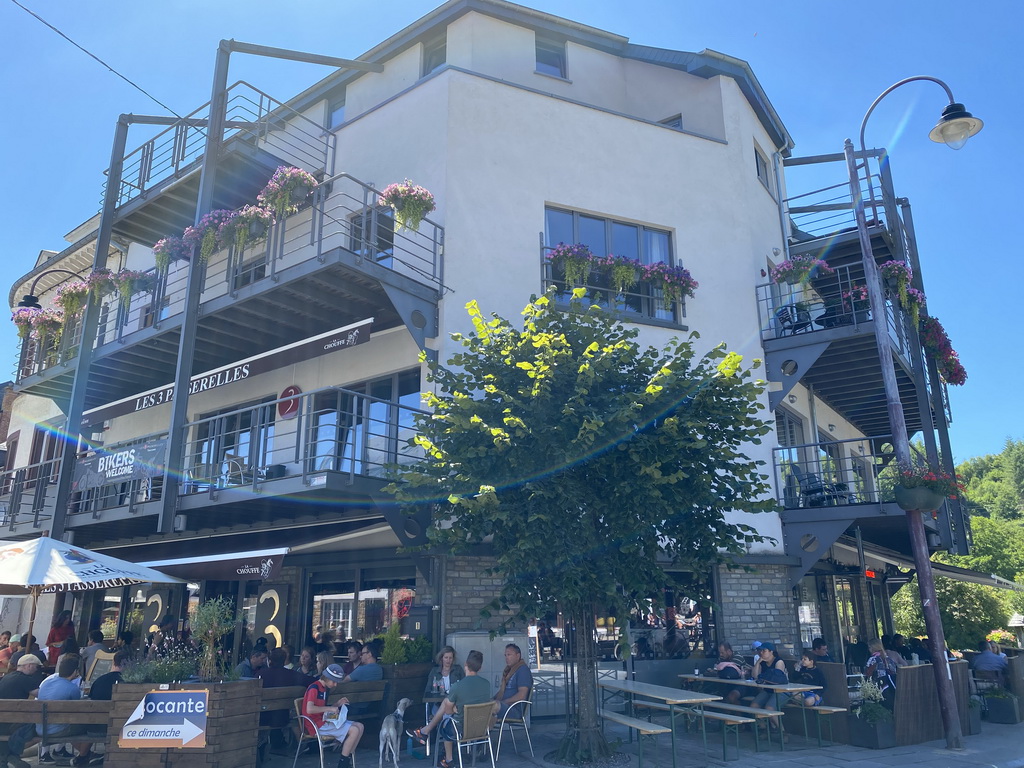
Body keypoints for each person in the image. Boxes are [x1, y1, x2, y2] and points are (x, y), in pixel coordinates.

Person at [8, 656, 97, 768]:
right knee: (90, 726)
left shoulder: (46, 683)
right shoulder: (72, 688)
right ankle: (84, 756)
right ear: (75, 672)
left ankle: (83, 754)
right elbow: (76, 711)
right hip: (57, 730)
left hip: (40, 728)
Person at [408, 650, 490, 768]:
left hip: (460, 730)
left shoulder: (457, 686)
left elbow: (448, 711)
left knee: (445, 725)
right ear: (480, 668)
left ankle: (448, 759)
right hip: (481, 729)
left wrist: (454, 710)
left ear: (465, 664)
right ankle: (424, 732)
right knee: (447, 703)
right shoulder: (486, 684)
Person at [302, 664, 364, 768]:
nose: (335, 684)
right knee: (354, 730)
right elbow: (310, 709)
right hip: (316, 725)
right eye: (333, 681)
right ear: (326, 678)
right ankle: (343, 764)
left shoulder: (324, 688)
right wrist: (330, 708)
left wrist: (338, 704)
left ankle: (347, 759)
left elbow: (322, 709)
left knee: (360, 726)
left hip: (323, 721)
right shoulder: (314, 688)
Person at [258, 648, 315, 755]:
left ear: (269, 660)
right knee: (293, 715)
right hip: (282, 718)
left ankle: (261, 747)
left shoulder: (261, 674)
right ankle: (301, 743)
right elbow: (312, 682)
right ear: (284, 661)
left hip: (262, 718)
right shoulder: (291, 674)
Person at [750, 642, 788, 736]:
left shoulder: (778, 661)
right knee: (753, 706)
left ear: (771, 652)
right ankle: (763, 729)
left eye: (764, 650)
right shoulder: (762, 662)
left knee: (769, 708)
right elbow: (754, 676)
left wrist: (763, 679)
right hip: (767, 690)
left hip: (781, 691)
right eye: (760, 650)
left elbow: (777, 678)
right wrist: (758, 662)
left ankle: (782, 732)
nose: (761, 653)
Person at [424, 646, 465, 717]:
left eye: (450, 658)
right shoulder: (434, 671)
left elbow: (464, 687)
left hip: (454, 704)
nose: (448, 660)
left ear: (453, 659)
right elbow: (428, 690)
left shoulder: (458, 670)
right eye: (446, 657)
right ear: (441, 658)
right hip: (438, 704)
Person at [493, 643, 532, 718]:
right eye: (505, 655)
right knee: (483, 705)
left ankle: (481, 729)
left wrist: (502, 702)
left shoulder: (522, 670)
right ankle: (482, 729)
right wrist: (491, 699)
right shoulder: (509, 671)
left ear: (518, 656)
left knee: (492, 706)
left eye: (509, 655)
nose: (506, 658)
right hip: (505, 706)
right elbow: (503, 691)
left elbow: (522, 695)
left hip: (514, 709)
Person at [864, 639, 897, 708]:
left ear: (873, 648)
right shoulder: (889, 659)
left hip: (880, 689)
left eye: (869, 647)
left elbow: (867, 675)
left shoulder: (873, 659)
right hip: (892, 689)